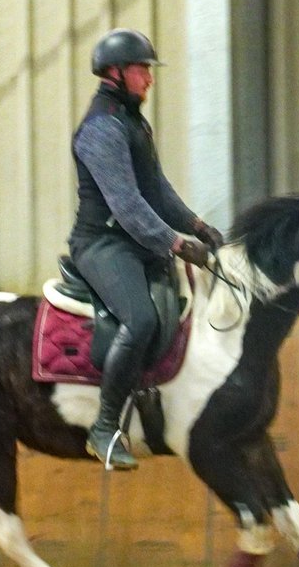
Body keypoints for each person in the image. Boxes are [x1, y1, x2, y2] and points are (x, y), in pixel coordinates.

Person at [68, 28, 224, 470]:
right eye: (142, 70)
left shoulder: (134, 122)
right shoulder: (101, 128)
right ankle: (103, 429)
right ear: (115, 73)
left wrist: (197, 225)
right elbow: (129, 205)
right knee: (139, 319)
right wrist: (176, 243)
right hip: (102, 242)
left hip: (136, 242)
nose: (150, 79)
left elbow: (156, 190)